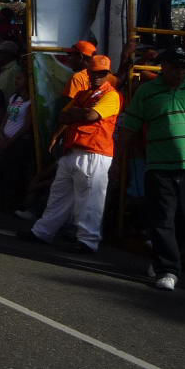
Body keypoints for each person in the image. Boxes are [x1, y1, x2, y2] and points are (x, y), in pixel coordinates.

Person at [120, 47, 185, 290]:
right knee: (162, 217)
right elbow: (130, 125)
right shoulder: (147, 91)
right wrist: (117, 160)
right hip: (158, 165)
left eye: (184, 67)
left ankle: (161, 256)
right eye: (176, 66)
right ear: (163, 66)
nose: (181, 71)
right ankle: (168, 269)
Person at [22, 55, 120, 252]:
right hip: (73, 149)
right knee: (59, 195)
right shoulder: (83, 94)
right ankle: (43, 231)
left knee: (91, 199)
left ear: (108, 75)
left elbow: (91, 115)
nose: (98, 77)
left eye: (102, 74)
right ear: (89, 73)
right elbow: (63, 115)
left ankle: (87, 241)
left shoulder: (111, 95)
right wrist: (80, 114)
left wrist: (78, 113)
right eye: (95, 73)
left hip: (94, 152)